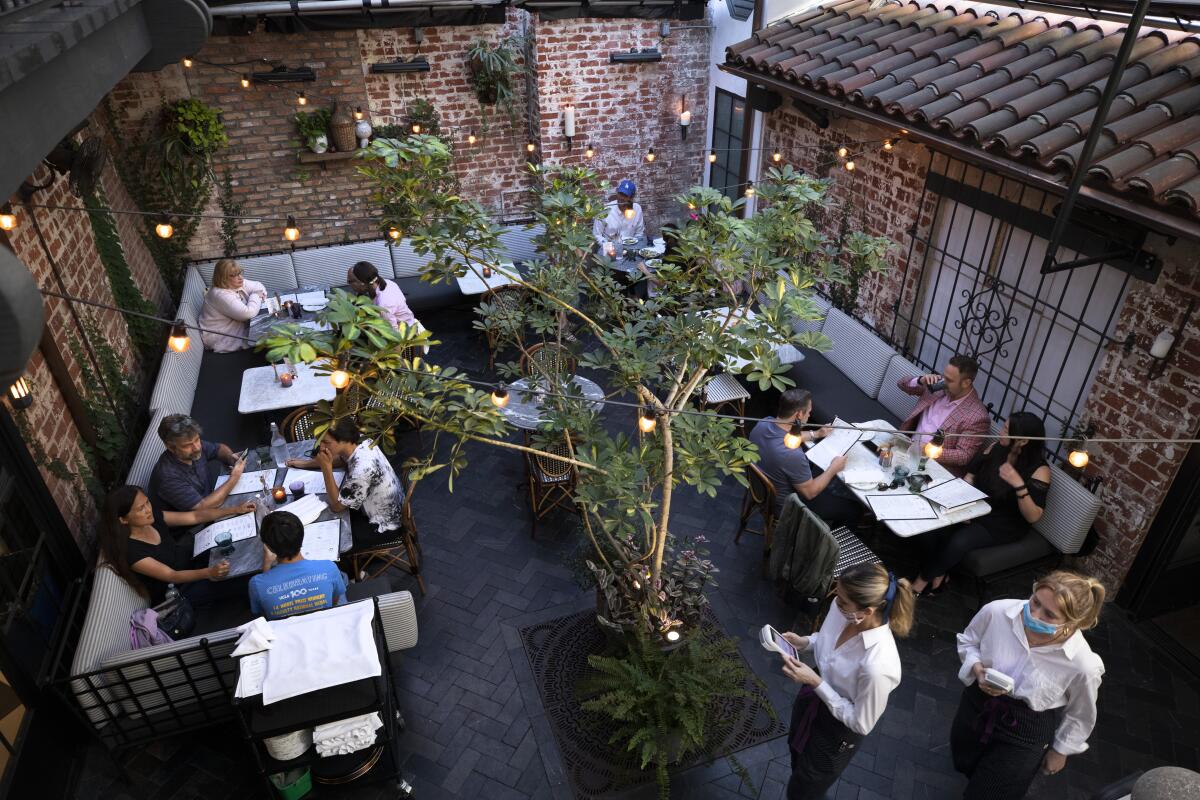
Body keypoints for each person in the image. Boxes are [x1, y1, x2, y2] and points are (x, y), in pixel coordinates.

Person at [952, 571, 1106, 799]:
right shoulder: (997, 612)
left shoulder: (1083, 665)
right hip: (977, 703)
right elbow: (969, 641)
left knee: (990, 793)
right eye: (1035, 602)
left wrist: (1060, 750)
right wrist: (976, 668)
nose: (1033, 614)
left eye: (1049, 615)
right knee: (964, 762)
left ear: (1074, 623)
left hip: (1026, 728)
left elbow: (1080, 714)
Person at [778, 563, 914, 799]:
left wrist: (816, 682)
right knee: (796, 753)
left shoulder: (878, 666)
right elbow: (829, 641)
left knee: (806, 786)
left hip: (836, 731)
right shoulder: (843, 608)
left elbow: (861, 723)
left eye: (842, 601)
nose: (835, 602)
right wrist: (806, 642)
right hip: (813, 697)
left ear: (868, 611)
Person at [912, 412, 1051, 596]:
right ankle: (940, 574)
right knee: (932, 528)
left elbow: (1033, 516)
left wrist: (1018, 484)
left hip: (1004, 523)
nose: (1001, 432)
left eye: (1006, 430)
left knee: (958, 541)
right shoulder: (996, 447)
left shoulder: (1040, 470)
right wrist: (965, 505)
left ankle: (919, 583)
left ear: (1023, 441)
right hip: (978, 507)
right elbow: (971, 475)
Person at [100, 485, 255, 605]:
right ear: (123, 520)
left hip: (189, 560)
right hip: (180, 590)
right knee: (242, 581)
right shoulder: (133, 552)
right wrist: (209, 572)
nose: (148, 510)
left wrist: (236, 509)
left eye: (147, 502)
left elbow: (194, 516)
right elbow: (171, 575)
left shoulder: (153, 518)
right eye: (141, 509)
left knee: (240, 548)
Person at [748, 388, 860, 527]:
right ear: (799, 414)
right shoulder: (792, 455)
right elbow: (810, 493)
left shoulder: (764, 423)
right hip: (787, 508)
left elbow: (785, 438)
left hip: (759, 490)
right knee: (853, 509)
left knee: (818, 472)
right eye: (808, 412)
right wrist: (833, 468)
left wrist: (816, 434)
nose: (809, 415)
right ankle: (822, 539)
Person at [287, 417, 403, 549]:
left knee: (325, 537)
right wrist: (304, 464)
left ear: (343, 439)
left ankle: (351, 567)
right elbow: (343, 460)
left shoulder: (362, 470)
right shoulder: (359, 440)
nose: (321, 447)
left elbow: (337, 506)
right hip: (383, 508)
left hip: (384, 526)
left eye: (326, 442)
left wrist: (326, 468)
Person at [897, 354, 991, 476]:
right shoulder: (939, 385)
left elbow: (963, 455)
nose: (944, 382)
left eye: (949, 380)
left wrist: (926, 449)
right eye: (944, 376)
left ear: (966, 383)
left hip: (932, 466)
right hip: (906, 447)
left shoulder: (977, 416)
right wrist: (920, 380)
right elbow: (902, 384)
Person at [148, 414, 247, 521]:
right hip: (194, 526)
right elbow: (202, 507)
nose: (197, 447)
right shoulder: (167, 477)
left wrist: (230, 458)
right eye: (187, 445)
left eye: (197, 439)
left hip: (215, 503)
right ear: (171, 447)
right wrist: (234, 477)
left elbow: (219, 449)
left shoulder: (193, 447)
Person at [249, 511, 346, 619]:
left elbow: (263, 613)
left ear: (269, 547)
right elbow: (333, 602)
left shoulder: (256, 584)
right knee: (342, 577)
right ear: (302, 536)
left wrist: (266, 565)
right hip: (323, 623)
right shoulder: (328, 567)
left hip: (286, 631)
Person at [199, 259, 268, 352]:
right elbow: (247, 314)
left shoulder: (235, 283)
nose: (240, 278)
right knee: (272, 335)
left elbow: (258, 286)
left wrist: (256, 295)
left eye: (240, 273)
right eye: (233, 275)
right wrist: (255, 295)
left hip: (239, 326)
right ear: (222, 278)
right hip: (224, 337)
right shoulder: (219, 294)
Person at [347, 261, 418, 331]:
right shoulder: (387, 282)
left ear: (361, 282)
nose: (348, 283)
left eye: (350, 281)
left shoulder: (383, 305)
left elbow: (392, 332)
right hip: (407, 321)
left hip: (405, 331)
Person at [592, 179, 645, 252]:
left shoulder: (637, 209)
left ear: (632, 198)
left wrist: (633, 250)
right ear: (617, 193)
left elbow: (639, 233)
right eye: (620, 194)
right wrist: (610, 248)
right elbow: (596, 235)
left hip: (630, 249)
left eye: (625, 195)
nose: (621, 198)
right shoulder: (605, 210)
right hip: (609, 249)